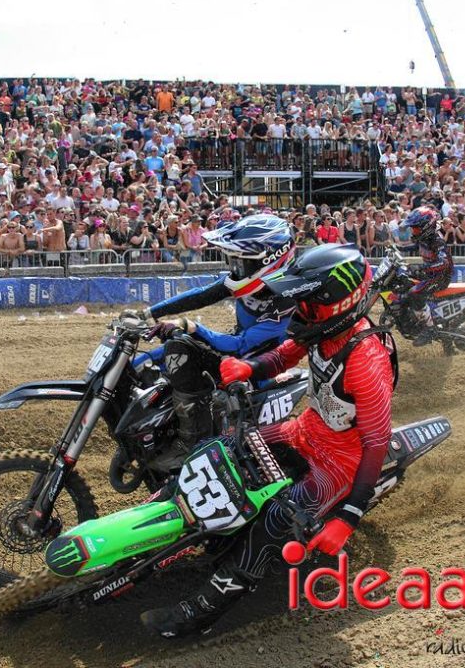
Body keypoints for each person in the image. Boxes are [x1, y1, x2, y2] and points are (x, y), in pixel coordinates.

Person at [142, 244, 397, 638]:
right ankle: (153, 522)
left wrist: (348, 518)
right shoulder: (324, 330)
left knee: (275, 521)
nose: (297, 311)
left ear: (334, 304)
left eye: (306, 304)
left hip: (338, 464)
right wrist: (248, 367)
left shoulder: (366, 359)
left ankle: (200, 613)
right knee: (222, 449)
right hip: (305, 431)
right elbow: (282, 357)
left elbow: (377, 442)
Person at [130, 214, 297, 440]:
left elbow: (241, 345)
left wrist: (191, 326)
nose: (235, 268)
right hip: (233, 354)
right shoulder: (244, 280)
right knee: (159, 353)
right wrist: (149, 313)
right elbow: (201, 295)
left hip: (253, 371)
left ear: (269, 260)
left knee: (183, 354)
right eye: (233, 260)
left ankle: (194, 438)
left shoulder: (288, 301)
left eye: (241, 262)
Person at [394, 207, 453, 346]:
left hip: (440, 277)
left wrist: (421, 268)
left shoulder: (437, 241)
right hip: (429, 275)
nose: (413, 231)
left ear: (426, 227)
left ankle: (430, 329)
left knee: (415, 293)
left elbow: (444, 262)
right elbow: (416, 246)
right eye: (412, 229)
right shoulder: (424, 238)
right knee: (404, 285)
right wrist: (398, 248)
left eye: (415, 229)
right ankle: (411, 320)